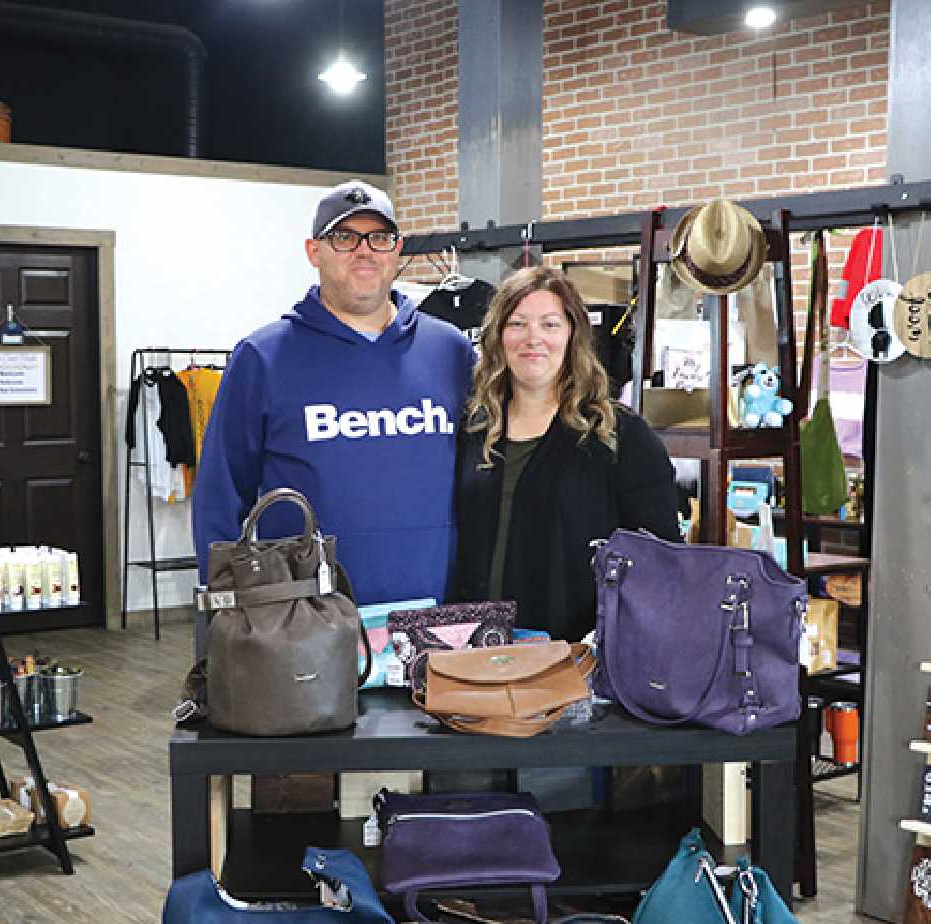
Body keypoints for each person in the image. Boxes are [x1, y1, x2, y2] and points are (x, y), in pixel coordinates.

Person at [192, 180, 475, 605]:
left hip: (438, 619)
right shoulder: (263, 358)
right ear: (313, 251)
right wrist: (229, 612)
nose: (365, 250)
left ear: (397, 249)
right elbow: (220, 495)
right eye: (344, 237)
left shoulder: (450, 351)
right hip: (305, 625)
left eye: (379, 238)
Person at [453, 266, 681, 642]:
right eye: (517, 324)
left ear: (573, 334)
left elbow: (662, 561)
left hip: (575, 662)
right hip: (479, 653)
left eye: (549, 324)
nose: (533, 338)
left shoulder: (618, 435)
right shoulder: (475, 430)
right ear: (498, 337)